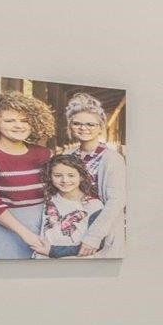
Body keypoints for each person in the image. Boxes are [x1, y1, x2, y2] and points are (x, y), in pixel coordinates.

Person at [0, 89, 54, 259]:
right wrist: (26, 235)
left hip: (41, 228)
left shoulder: (44, 154)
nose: (19, 125)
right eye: (9, 120)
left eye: (25, 120)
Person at [60, 91, 127, 255]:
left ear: (100, 128)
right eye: (77, 124)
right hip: (69, 226)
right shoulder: (65, 156)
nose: (83, 128)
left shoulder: (112, 159)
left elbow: (116, 201)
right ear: (70, 126)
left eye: (90, 124)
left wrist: (93, 237)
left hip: (98, 231)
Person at [38, 155, 109, 258]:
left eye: (71, 175)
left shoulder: (94, 205)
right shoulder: (48, 199)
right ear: (50, 176)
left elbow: (97, 245)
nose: (65, 180)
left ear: (81, 176)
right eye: (58, 175)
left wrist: (54, 251)